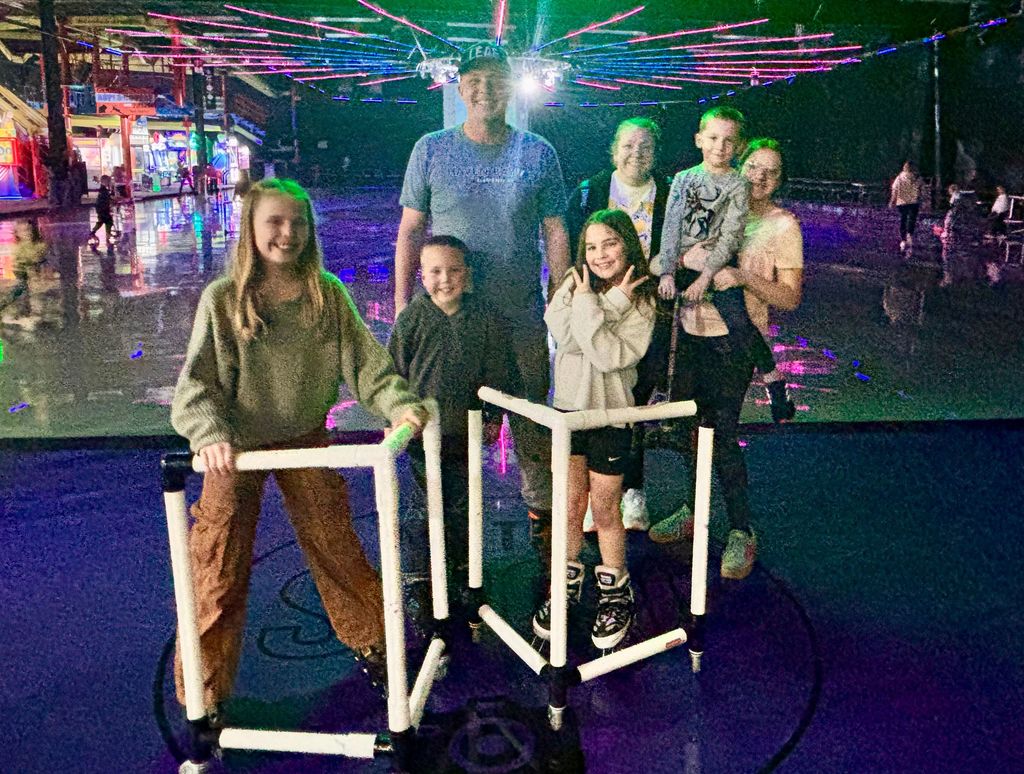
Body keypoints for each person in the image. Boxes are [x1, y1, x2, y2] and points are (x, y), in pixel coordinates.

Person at [170, 178, 428, 711]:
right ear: (252, 229)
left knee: (337, 547)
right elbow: (195, 387)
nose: (287, 234)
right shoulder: (223, 301)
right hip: (236, 448)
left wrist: (399, 403)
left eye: (298, 224)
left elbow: (367, 364)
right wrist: (210, 434)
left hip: (306, 440)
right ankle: (204, 692)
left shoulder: (326, 294)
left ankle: (379, 647)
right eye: (275, 222)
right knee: (216, 569)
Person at [394, 42, 570, 562]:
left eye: (495, 79)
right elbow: (410, 231)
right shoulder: (431, 149)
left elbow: (556, 228)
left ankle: (546, 529)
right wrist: (405, 302)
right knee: (444, 429)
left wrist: (559, 292)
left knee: (531, 421)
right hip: (448, 319)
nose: (484, 89)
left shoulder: (538, 152)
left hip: (518, 315)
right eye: (474, 79)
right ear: (460, 86)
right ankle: (441, 541)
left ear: (510, 86)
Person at [648, 139, 804, 582]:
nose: (760, 177)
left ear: (781, 181)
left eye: (772, 172)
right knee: (691, 432)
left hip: (735, 345)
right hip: (692, 333)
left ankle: (740, 528)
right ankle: (693, 510)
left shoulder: (781, 226)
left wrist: (743, 276)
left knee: (723, 434)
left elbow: (790, 297)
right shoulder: (719, 203)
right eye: (754, 166)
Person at [534, 209, 656, 650]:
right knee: (568, 505)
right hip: (568, 412)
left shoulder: (641, 299)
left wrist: (606, 304)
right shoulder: (572, 281)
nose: (600, 254)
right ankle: (563, 585)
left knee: (604, 510)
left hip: (609, 417)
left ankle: (614, 591)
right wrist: (602, 307)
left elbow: (608, 355)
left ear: (627, 245)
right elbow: (561, 335)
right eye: (591, 246)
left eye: (610, 244)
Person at [387, 235, 515, 608]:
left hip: (465, 436)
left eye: (453, 270)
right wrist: (393, 416)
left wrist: (493, 419)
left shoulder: (485, 319)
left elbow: (498, 374)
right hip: (420, 437)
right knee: (420, 509)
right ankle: (418, 574)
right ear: (421, 275)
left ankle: (461, 567)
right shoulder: (412, 318)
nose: (445, 279)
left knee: (462, 505)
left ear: (467, 273)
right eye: (435, 271)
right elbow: (393, 373)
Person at [652, 106, 794, 424]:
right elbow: (671, 225)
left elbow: (730, 235)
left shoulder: (737, 186)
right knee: (660, 318)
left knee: (740, 322)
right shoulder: (683, 179)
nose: (720, 146)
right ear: (699, 139)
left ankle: (773, 378)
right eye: (713, 138)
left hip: (716, 263)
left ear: (737, 147)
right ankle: (660, 388)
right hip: (684, 258)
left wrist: (706, 276)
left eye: (728, 141)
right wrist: (669, 267)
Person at [567, 117, 672, 531]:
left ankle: (633, 491)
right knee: (594, 398)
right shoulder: (590, 190)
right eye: (628, 145)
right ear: (613, 150)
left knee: (634, 400)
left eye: (645, 146)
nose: (636, 153)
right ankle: (598, 496)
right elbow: (575, 244)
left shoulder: (668, 192)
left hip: (643, 306)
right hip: (597, 304)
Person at [889, 161, 921, 253]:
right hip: (914, 201)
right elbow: (922, 190)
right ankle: (909, 234)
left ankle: (903, 239)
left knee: (903, 219)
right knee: (912, 219)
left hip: (902, 202)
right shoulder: (917, 178)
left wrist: (892, 201)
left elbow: (894, 189)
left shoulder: (899, 178)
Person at [88, 175, 114, 249]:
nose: (109, 183)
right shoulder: (104, 189)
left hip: (102, 208)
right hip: (103, 208)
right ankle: (106, 234)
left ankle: (104, 233)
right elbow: (106, 198)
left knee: (103, 221)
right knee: (107, 221)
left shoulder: (103, 189)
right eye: (108, 181)